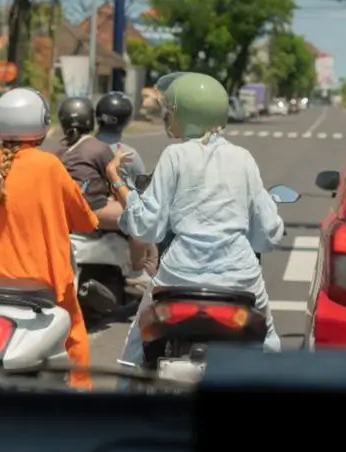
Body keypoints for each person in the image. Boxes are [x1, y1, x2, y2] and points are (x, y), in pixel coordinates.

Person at [107, 72, 286, 369]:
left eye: (170, 110)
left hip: (179, 276)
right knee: (269, 345)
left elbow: (146, 226)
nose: (166, 116)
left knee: (135, 350)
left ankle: (127, 403)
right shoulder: (243, 158)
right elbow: (267, 235)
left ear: (184, 114)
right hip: (240, 278)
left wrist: (123, 193)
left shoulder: (174, 156)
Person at [0, 87, 100, 389]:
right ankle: (82, 401)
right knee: (75, 335)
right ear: (41, 124)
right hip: (45, 288)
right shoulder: (50, 166)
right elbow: (85, 220)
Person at [49, 96, 153, 292]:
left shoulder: (56, 152)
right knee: (141, 216)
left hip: (61, 212)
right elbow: (115, 184)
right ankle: (137, 271)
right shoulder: (99, 149)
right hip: (93, 210)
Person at [94, 91, 158, 277]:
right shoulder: (128, 154)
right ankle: (138, 274)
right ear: (126, 121)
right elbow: (143, 191)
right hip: (112, 215)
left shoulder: (81, 147)